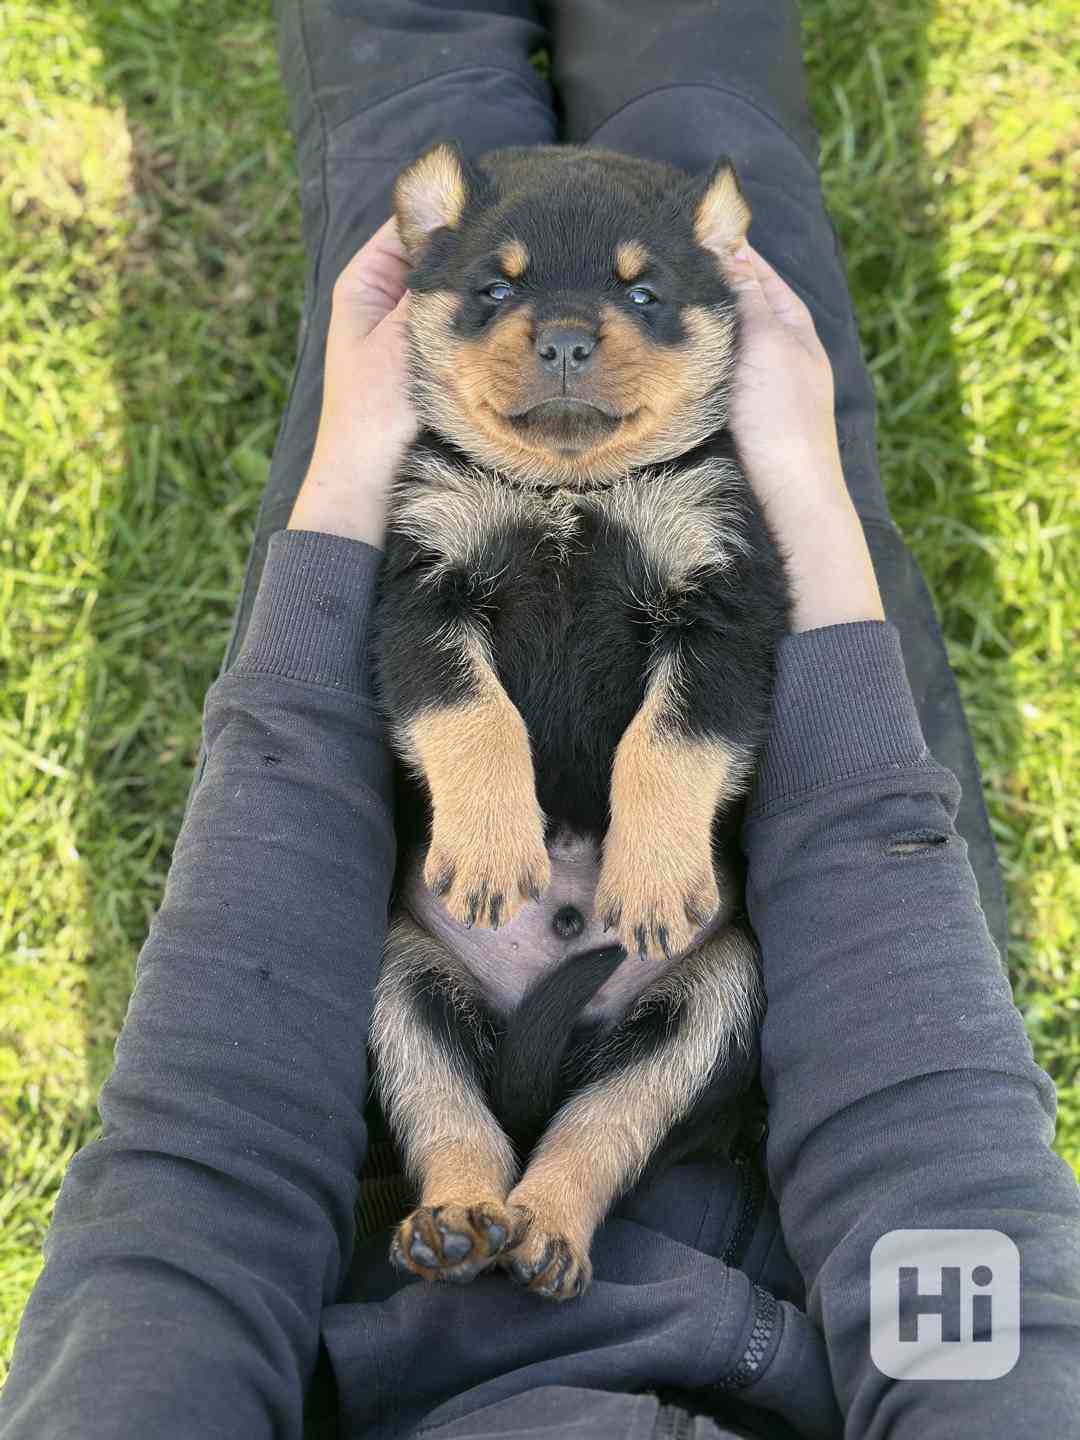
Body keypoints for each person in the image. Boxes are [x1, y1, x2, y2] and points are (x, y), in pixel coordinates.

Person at [2, 3, 1078, 1438]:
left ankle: (506, 1168)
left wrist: (343, 487)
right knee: (720, 177)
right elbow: (959, 1219)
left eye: (627, 313)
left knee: (406, 148)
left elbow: (184, 1219)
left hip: (392, 1071)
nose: (564, 345)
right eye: (521, 313)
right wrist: (808, 506)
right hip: (795, 1041)